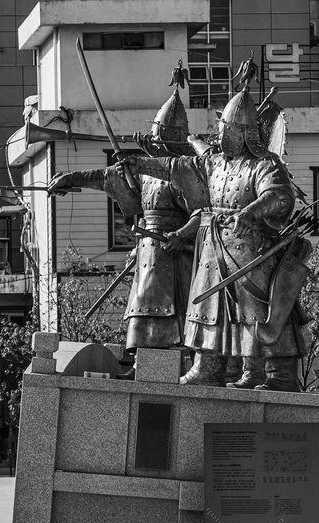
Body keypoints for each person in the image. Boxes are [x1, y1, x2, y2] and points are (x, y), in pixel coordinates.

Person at [126, 73, 303, 391]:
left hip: (251, 252)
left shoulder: (265, 164)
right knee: (209, 310)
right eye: (221, 128)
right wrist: (139, 164)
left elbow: (280, 196)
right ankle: (207, 367)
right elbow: (177, 166)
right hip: (213, 249)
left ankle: (279, 375)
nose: (220, 134)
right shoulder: (214, 163)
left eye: (226, 128)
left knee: (257, 313)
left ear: (244, 132)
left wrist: (252, 211)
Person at [47, 66, 208, 369]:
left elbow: (204, 214)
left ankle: (168, 368)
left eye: (160, 136)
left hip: (175, 254)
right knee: (143, 308)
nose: (155, 140)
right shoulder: (146, 170)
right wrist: (71, 178)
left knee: (172, 315)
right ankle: (144, 365)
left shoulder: (186, 170)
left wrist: (182, 235)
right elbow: (109, 176)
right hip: (148, 251)